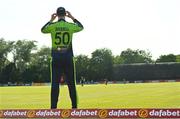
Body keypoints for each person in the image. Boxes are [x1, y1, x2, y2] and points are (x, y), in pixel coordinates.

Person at [41, 7, 83, 109]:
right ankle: (74, 108)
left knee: (55, 84)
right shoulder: (70, 26)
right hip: (68, 58)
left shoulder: (53, 26)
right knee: (71, 84)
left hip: (56, 58)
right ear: (65, 14)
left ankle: (53, 109)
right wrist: (72, 17)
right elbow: (81, 27)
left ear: (57, 14)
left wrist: (51, 20)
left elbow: (43, 30)